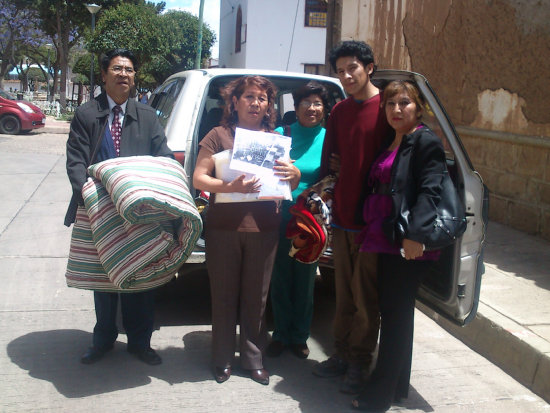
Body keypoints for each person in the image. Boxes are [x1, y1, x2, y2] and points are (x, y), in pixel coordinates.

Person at [65, 48, 173, 366]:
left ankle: (140, 342)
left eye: (128, 69)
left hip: (137, 213)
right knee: (104, 280)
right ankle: (103, 339)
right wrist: (88, 196)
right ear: (104, 75)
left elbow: (162, 154)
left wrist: (166, 177)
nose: (123, 74)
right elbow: (75, 162)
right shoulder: (87, 115)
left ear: (134, 77)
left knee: (140, 277)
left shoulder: (148, 116)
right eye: (116, 68)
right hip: (99, 212)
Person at [192, 76, 300, 385]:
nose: (255, 103)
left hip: (264, 228)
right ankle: (222, 358)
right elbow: (200, 178)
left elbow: (287, 182)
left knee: (257, 298)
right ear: (235, 102)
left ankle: (253, 359)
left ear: (268, 106)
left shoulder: (275, 140)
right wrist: (229, 186)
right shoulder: (218, 135)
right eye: (249, 97)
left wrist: (294, 173)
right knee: (224, 295)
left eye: (262, 98)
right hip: (224, 228)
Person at [350, 80, 447, 411]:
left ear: (418, 107)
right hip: (385, 237)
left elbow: (430, 191)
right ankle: (396, 386)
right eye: (390, 104)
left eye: (404, 103)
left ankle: (377, 397)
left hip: (407, 242)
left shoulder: (425, 141)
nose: (396, 109)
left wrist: (416, 236)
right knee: (397, 314)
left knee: (394, 316)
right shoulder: (393, 141)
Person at [313, 40, 391, 394]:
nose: (346, 76)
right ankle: (341, 354)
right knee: (342, 294)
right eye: (340, 71)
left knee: (365, 298)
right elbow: (330, 162)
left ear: (369, 67)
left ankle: (360, 361)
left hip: (373, 223)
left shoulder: (389, 108)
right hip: (342, 217)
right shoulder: (340, 111)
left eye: (352, 69)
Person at [266, 81, 329, 359]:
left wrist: (303, 180)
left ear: (324, 109)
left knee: (305, 279)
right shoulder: (282, 134)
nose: (312, 108)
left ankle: (300, 335)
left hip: (311, 219)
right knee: (280, 275)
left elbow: (332, 176)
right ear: (296, 106)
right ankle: (280, 333)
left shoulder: (329, 139)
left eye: (317, 103)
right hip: (282, 215)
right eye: (307, 103)